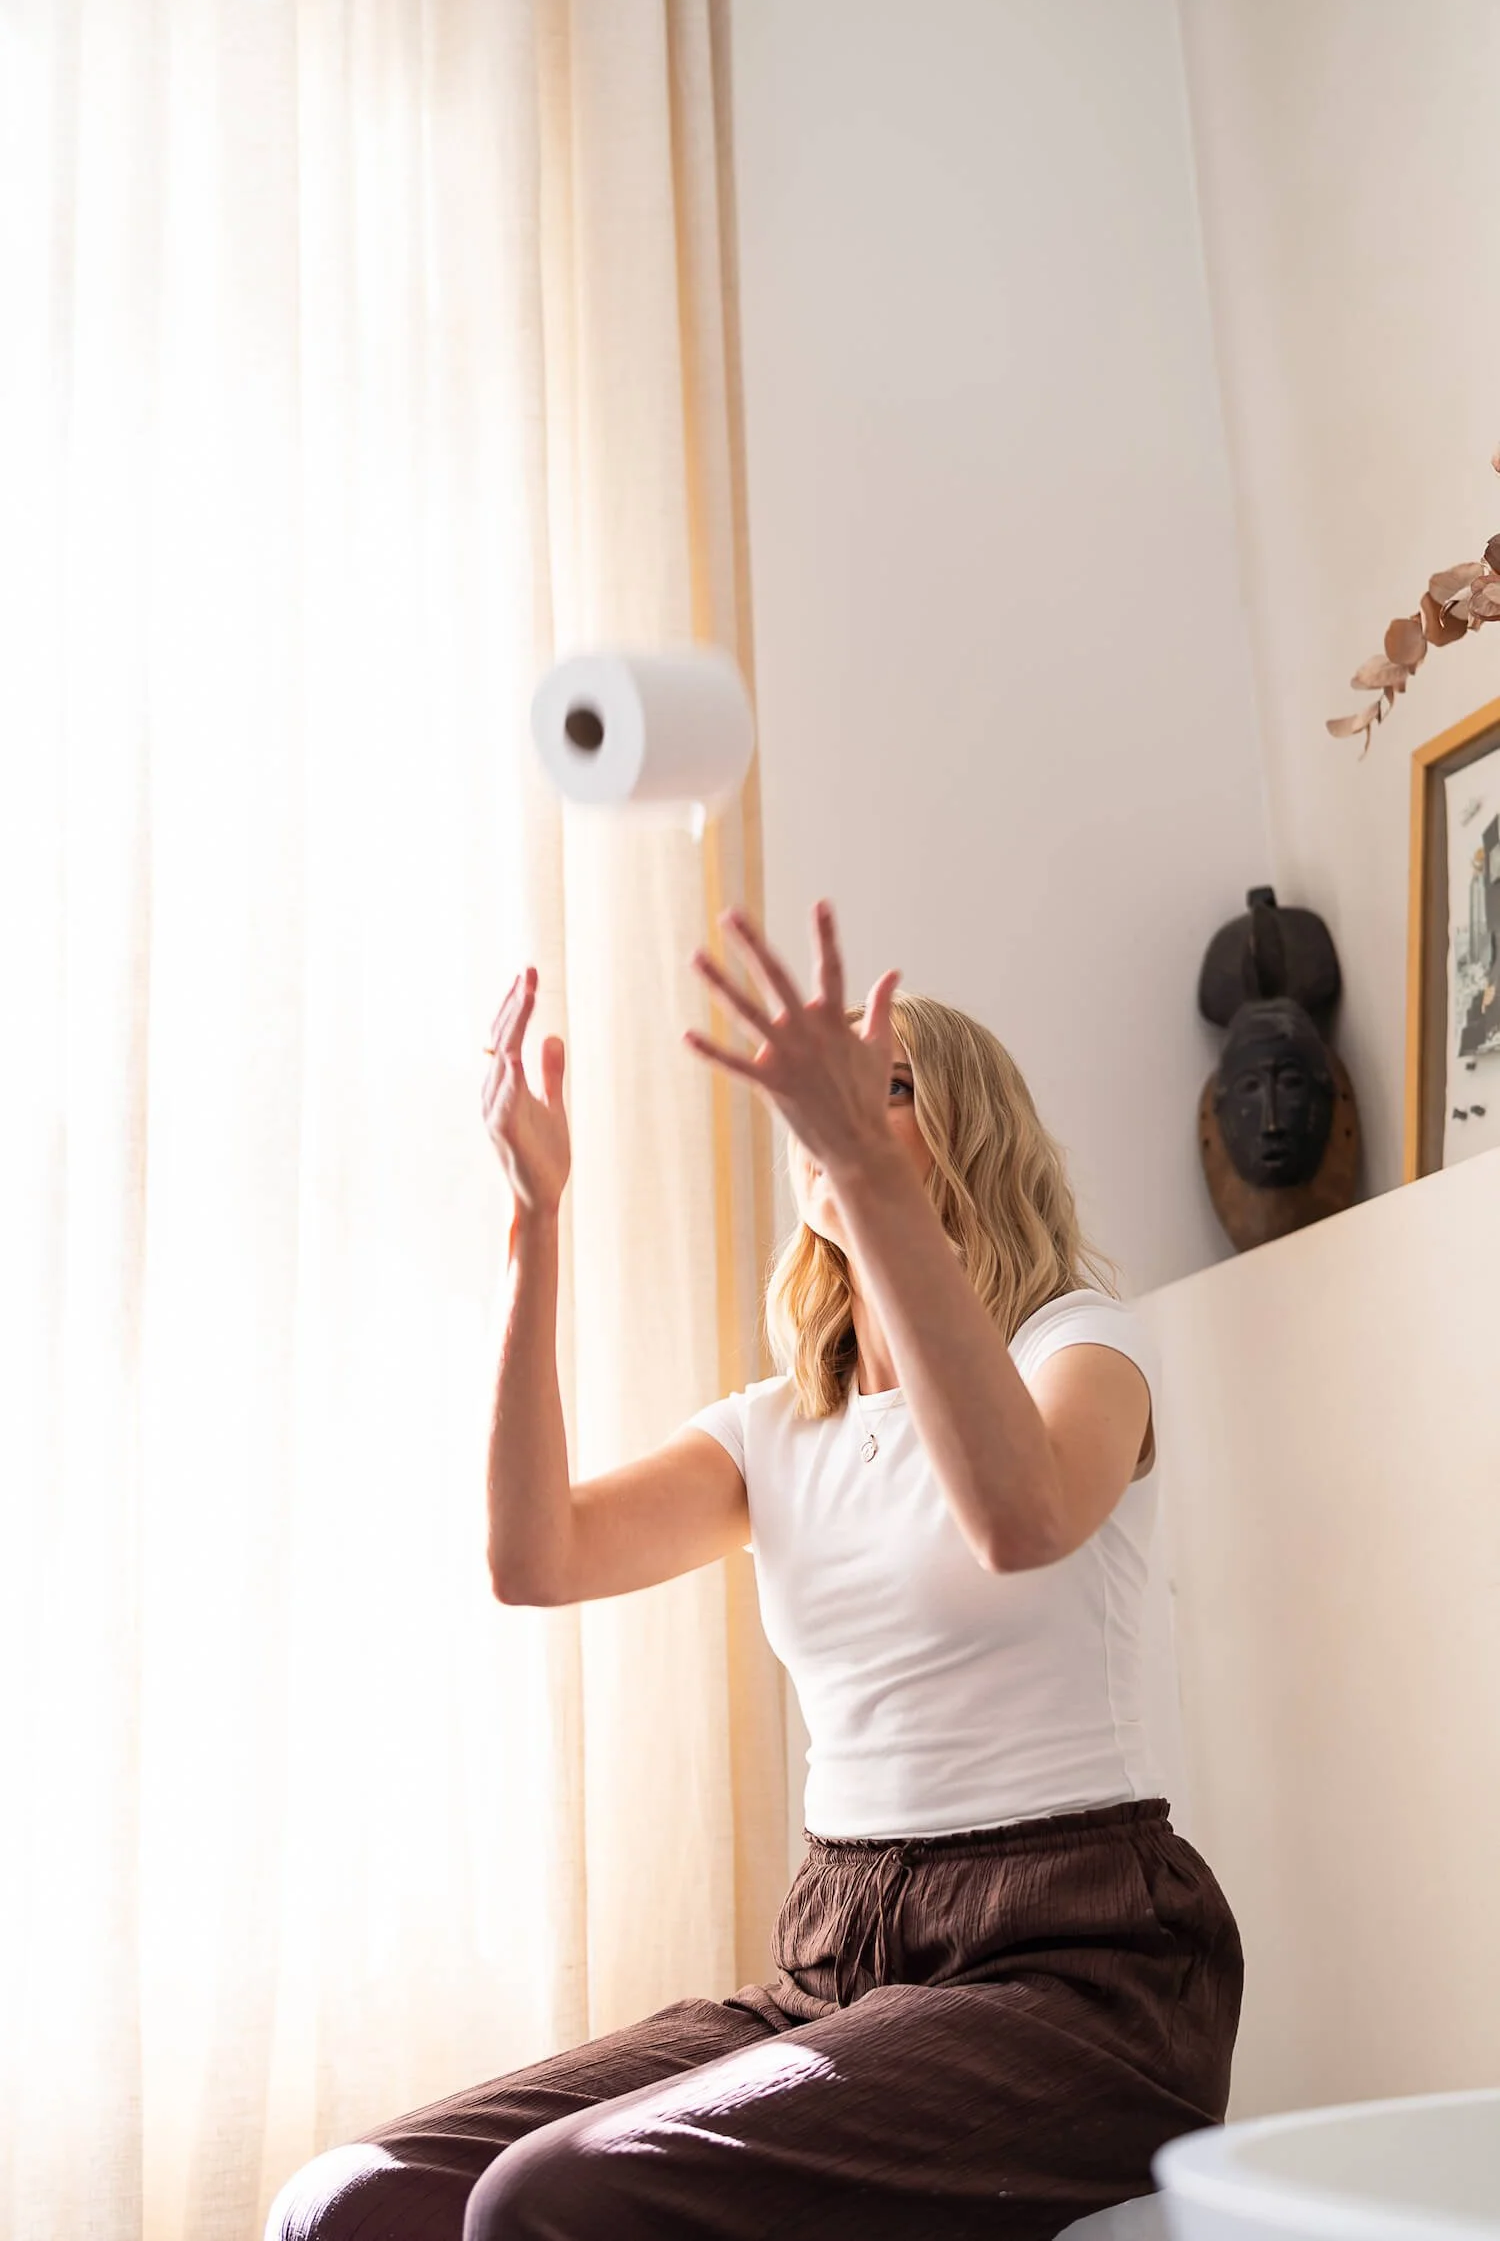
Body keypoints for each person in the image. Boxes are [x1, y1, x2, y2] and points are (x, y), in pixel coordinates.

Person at [268, 898, 1242, 2241]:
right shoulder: (775, 1429)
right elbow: (533, 1554)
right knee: (353, 2204)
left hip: (1080, 1975)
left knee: (556, 2202)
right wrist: (535, 1217)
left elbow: (1019, 1515)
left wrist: (869, 1166)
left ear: (970, 1134)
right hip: (833, 1960)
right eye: (829, 1098)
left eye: (887, 1087)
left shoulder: (1081, 1348)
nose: (840, 1109)